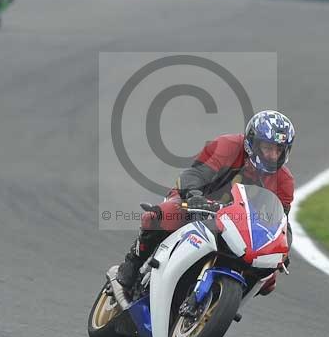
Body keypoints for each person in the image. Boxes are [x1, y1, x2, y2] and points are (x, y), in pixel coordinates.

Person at [115, 110, 296, 297]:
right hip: (199, 204)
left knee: (269, 278)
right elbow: (195, 173)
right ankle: (133, 261)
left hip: (240, 227)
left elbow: (281, 221)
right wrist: (194, 195)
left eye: (278, 150)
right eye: (267, 147)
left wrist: (282, 248)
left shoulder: (284, 181)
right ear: (252, 142)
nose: (272, 155)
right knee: (162, 215)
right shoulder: (228, 146)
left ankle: (220, 300)